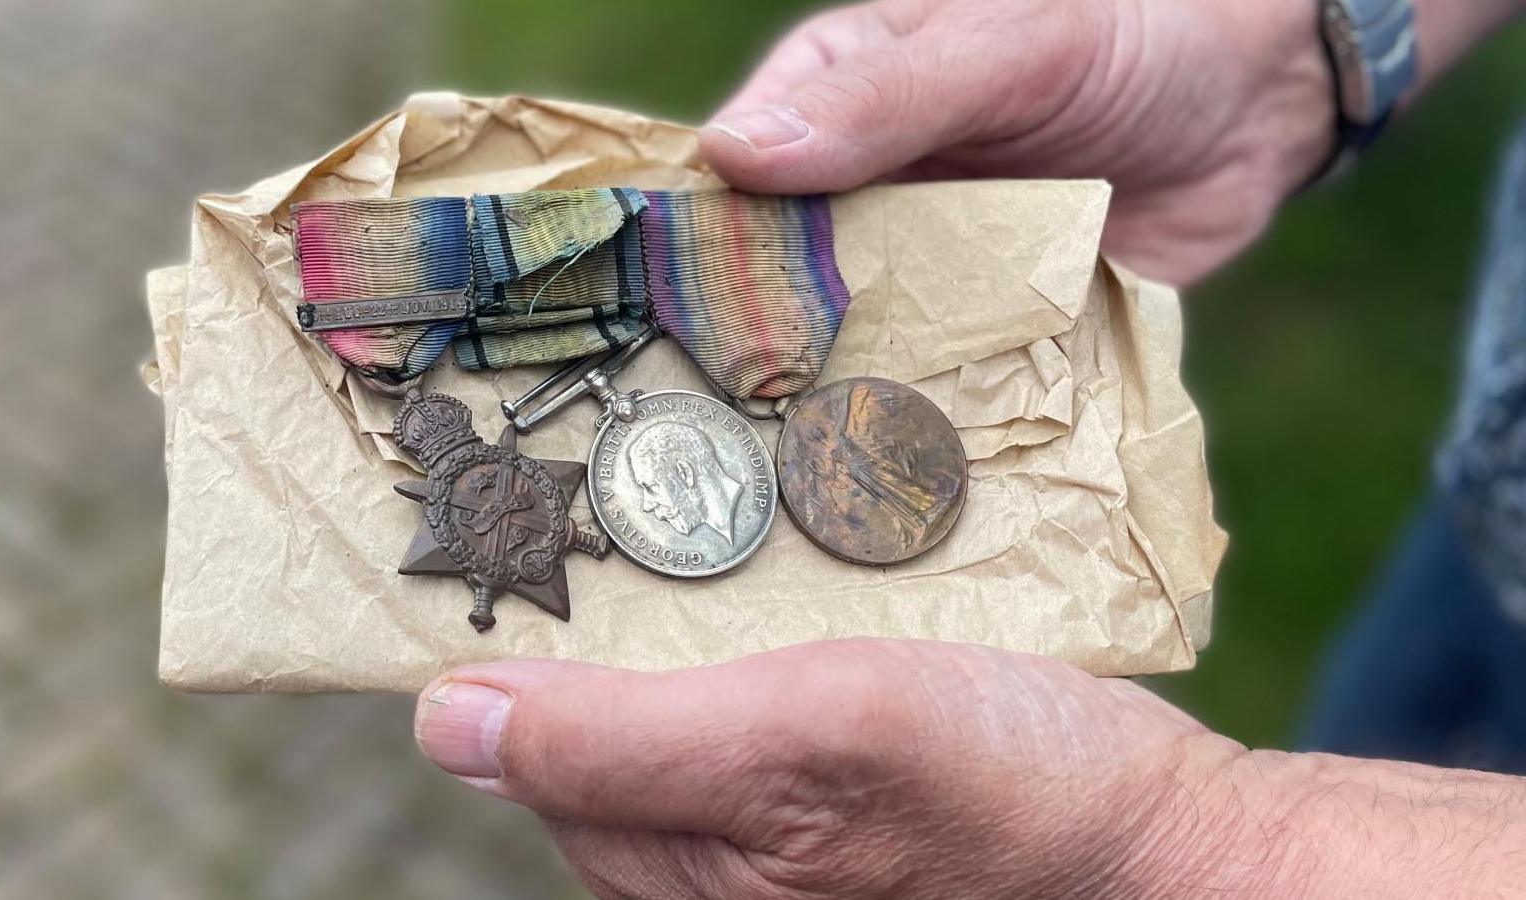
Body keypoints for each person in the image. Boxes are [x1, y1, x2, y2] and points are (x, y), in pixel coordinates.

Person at [414, 0, 1526, 895]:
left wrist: (1192, 846)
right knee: (1381, 725)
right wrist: (1293, 58)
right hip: (1481, 526)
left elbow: (1215, 840)